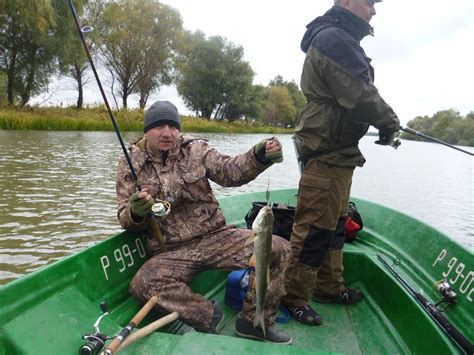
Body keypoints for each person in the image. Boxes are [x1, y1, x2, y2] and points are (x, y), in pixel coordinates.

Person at [116, 100, 292, 343]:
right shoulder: (130, 163)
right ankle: (207, 314)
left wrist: (259, 156)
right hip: (173, 250)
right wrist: (136, 212)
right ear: (147, 130)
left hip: (216, 237)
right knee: (143, 283)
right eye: (159, 126)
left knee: (279, 248)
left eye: (172, 126)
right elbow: (125, 217)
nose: (167, 133)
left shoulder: (196, 149)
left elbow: (231, 172)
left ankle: (253, 323)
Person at [281, 0, 400, 326]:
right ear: (346, 1)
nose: (373, 11)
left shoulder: (340, 38)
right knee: (313, 230)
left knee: (334, 226)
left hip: (339, 152)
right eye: (368, 3)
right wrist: (390, 122)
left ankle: (329, 287)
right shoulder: (333, 38)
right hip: (325, 151)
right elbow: (361, 94)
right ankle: (292, 296)